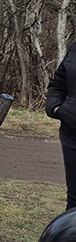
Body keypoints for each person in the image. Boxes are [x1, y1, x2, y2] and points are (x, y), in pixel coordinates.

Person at [46, 42, 76, 210]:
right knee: (74, 199)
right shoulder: (74, 49)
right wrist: (57, 108)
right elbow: (58, 84)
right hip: (71, 133)